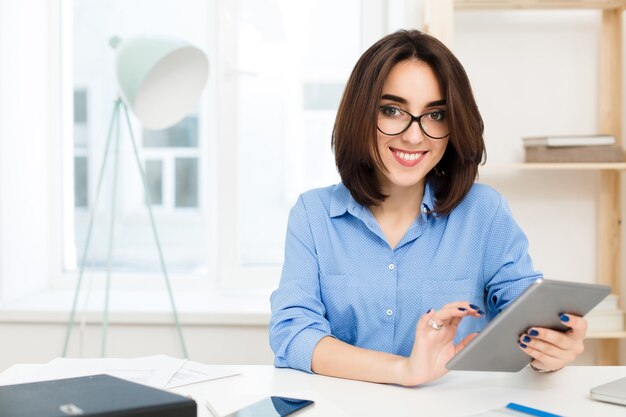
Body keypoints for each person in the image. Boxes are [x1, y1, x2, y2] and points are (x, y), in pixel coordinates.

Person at [269, 29, 587, 386]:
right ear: (360, 114)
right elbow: (293, 335)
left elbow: (526, 320)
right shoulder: (313, 215)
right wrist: (404, 371)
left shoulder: (484, 212)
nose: (414, 136)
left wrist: (550, 353)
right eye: (392, 110)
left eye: (435, 115)